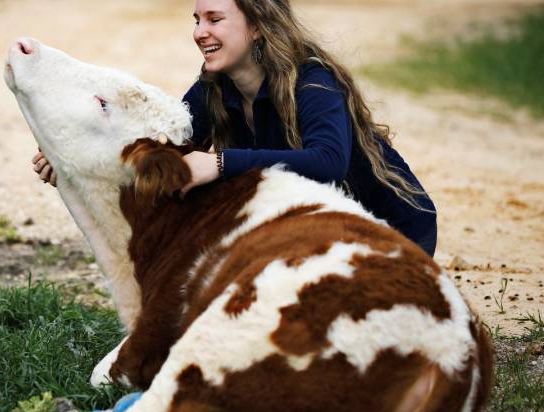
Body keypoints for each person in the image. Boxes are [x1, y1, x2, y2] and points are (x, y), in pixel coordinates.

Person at [33, 0, 437, 256]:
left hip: (394, 238)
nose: (199, 32)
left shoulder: (313, 82)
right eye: (196, 19)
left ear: (257, 24)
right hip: (322, 237)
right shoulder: (213, 89)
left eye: (214, 18)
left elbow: (329, 162)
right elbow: (160, 150)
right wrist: (71, 162)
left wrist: (221, 164)